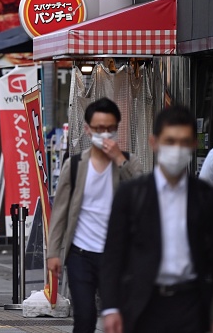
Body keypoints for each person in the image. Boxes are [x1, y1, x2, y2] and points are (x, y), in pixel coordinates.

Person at [101, 105, 213, 333]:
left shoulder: (207, 197)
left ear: (194, 145)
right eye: (170, 141)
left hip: (192, 305)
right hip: (144, 304)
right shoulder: (132, 195)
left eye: (184, 142)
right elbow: (113, 255)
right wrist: (110, 307)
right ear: (154, 142)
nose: (177, 149)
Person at [46, 98, 142, 333]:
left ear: (117, 128)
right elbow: (60, 211)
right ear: (88, 130)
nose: (104, 134)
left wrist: (120, 160)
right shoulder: (76, 164)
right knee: (85, 317)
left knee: (119, 317)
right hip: (81, 253)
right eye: (99, 129)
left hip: (117, 256)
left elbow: (143, 196)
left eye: (109, 128)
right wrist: (53, 254)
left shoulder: (128, 162)